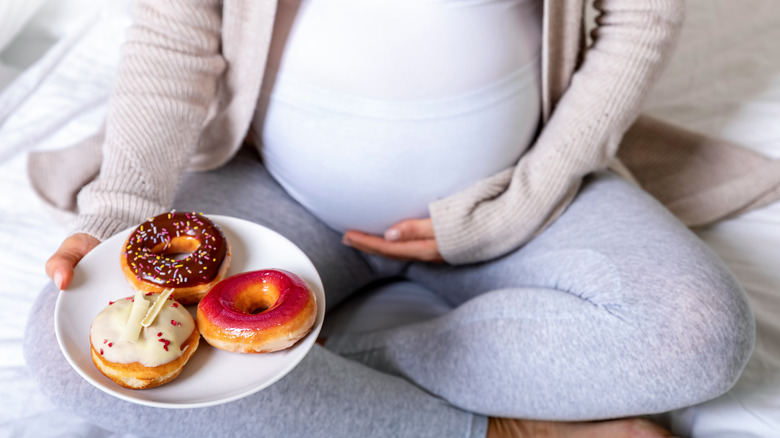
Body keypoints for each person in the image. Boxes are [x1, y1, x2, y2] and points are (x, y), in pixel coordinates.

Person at [24, 0, 757, 437]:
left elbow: (641, 14)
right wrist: (123, 212)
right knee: (72, 363)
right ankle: (500, 427)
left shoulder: (525, 199)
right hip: (283, 190)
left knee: (700, 337)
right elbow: (175, 34)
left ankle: (337, 363)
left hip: (516, 191)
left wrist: (525, 201)